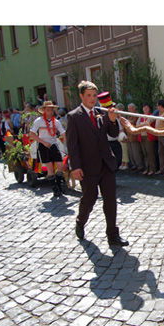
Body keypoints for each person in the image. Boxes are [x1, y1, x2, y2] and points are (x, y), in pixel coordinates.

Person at [65, 81, 125, 245]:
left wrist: (113, 120)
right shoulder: (74, 116)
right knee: (89, 199)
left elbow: (112, 133)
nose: (92, 99)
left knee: (110, 200)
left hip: (106, 164)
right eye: (89, 96)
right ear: (82, 96)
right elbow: (72, 144)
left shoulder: (102, 113)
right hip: (87, 166)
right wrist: (75, 166)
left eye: (94, 96)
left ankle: (113, 235)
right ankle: (80, 221)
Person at [29, 101, 67, 196]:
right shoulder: (39, 121)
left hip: (53, 145)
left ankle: (59, 186)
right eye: (48, 109)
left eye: (52, 109)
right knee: (50, 169)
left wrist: (69, 143)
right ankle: (55, 189)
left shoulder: (56, 122)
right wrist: (43, 142)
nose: (50, 111)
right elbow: (32, 134)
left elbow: (63, 132)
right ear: (44, 110)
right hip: (43, 146)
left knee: (60, 166)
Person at [137, 103, 158, 176]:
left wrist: (141, 124)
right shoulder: (141, 116)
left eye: (146, 108)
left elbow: (147, 124)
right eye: (144, 108)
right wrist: (141, 124)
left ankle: (153, 169)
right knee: (145, 153)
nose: (145, 109)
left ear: (149, 109)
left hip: (148, 136)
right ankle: (147, 168)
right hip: (142, 136)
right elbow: (137, 125)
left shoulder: (151, 116)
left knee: (150, 153)